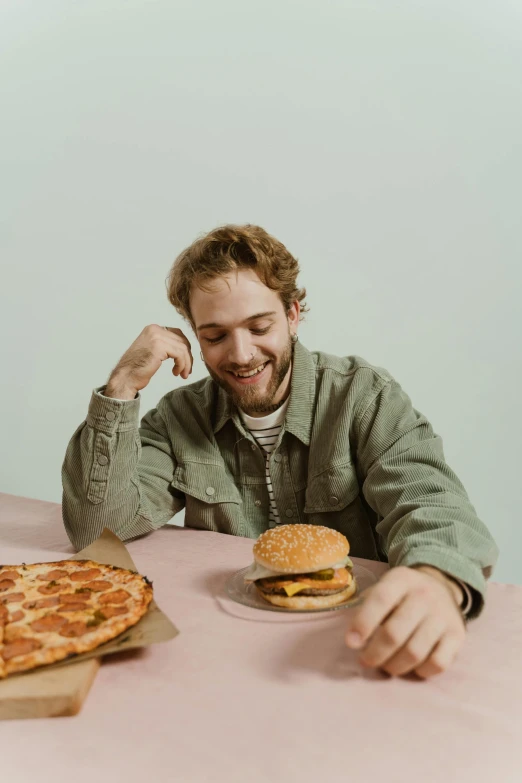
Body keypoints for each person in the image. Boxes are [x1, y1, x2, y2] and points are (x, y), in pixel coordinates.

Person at [62, 224, 499, 679]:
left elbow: (433, 505)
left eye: (259, 327)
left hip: (352, 650)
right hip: (221, 657)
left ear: (292, 314)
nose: (242, 354)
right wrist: (122, 387)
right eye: (215, 337)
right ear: (194, 336)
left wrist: (436, 579)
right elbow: (98, 531)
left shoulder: (364, 398)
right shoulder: (179, 417)